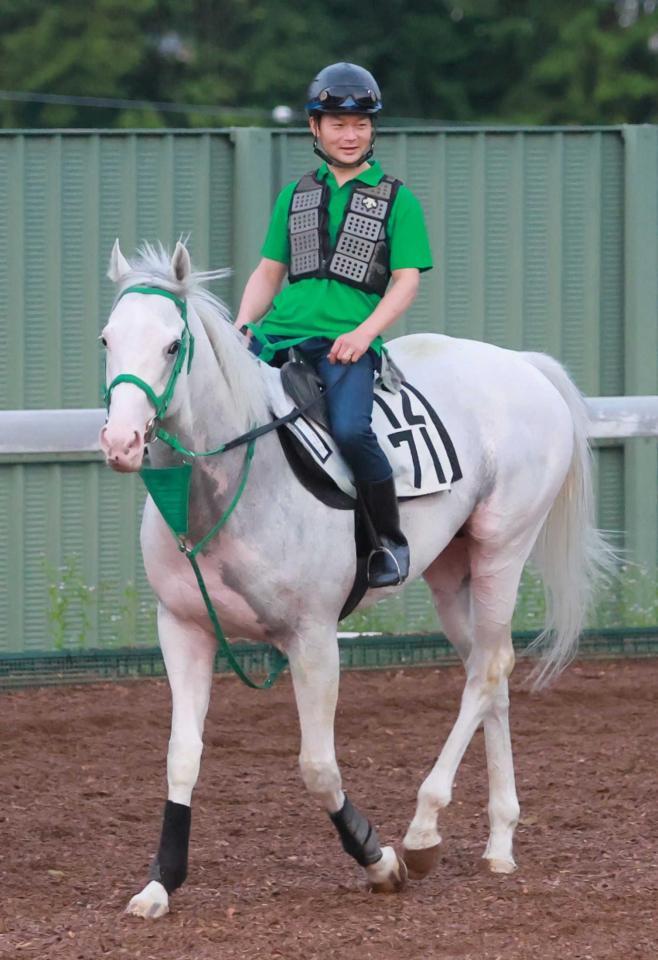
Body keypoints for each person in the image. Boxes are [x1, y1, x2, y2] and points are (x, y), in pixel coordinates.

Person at [235, 62, 433, 588]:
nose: (350, 135)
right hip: (277, 337)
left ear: (373, 129)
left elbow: (406, 282)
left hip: (345, 345)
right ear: (314, 128)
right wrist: (242, 326)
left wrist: (366, 334)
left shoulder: (398, 199)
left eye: (361, 124)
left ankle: (386, 542)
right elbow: (267, 272)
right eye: (338, 124)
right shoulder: (294, 196)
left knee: (350, 430)